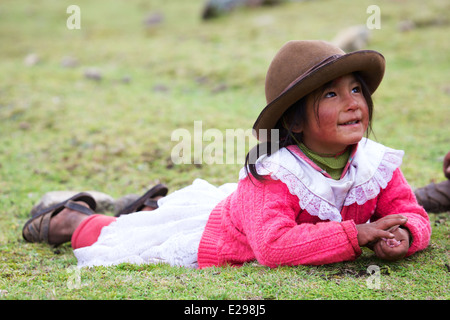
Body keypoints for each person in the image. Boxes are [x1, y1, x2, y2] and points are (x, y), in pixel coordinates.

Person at [22, 40, 431, 268]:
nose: (352, 102)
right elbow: (273, 247)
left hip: (240, 215)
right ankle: (68, 219)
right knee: (127, 240)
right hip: (225, 240)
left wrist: (405, 235)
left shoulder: (374, 164)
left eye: (356, 89)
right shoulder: (274, 175)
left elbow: (411, 212)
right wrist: (354, 235)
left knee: (163, 218)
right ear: (295, 122)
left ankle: (147, 208)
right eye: (331, 94)